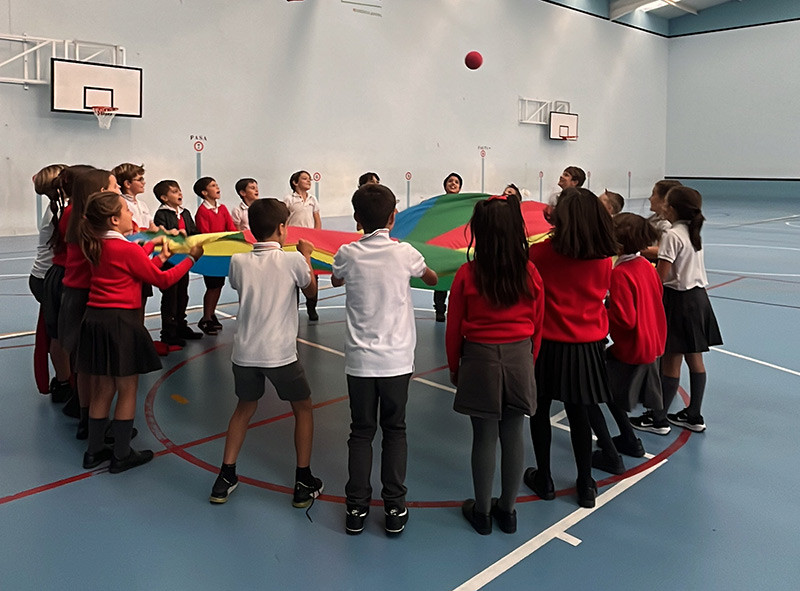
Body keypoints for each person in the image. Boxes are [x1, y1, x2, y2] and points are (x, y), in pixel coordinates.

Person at [332, 183, 438, 536]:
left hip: (360, 362)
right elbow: (431, 277)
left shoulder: (347, 252)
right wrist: (431, 271)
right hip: (396, 362)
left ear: (356, 218)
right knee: (395, 430)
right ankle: (394, 505)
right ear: (394, 217)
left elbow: (335, 278)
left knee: (361, 431)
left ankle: (357, 508)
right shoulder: (405, 253)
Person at [209, 198, 323, 508]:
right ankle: (303, 479)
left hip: (244, 354)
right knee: (303, 407)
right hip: (280, 355)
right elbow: (311, 291)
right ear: (283, 228)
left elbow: (239, 285)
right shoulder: (293, 260)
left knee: (244, 407)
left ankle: (226, 475)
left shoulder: (238, 261)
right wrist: (307, 256)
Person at [76, 191, 202, 473]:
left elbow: (132, 270)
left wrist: (157, 255)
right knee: (127, 388)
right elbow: (162, 280)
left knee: (103, 388)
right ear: (114, 219)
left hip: (96, 320)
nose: (132, 216)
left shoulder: (95, 243)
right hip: (121, 322)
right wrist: (190, 260)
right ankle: (121, 454)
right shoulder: (127, 249)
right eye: (127, 212)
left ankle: (94, 452)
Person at [446, 196, 544, 535]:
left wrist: (455, 367)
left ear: (480, 232)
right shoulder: (530, 272)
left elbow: (454, 327)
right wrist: (528, 361)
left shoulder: (467, 274)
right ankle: (509, 510)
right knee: (514, 433)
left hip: (479, 359)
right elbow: (538, 323)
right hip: (519, 357)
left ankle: (483, 512)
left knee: (483, 437)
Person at [524, 187, 617, 508]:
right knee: (580, 416)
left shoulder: (542, 255)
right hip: (588, 346)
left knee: (539, 413)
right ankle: (585, 482)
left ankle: (545, 477)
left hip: (547, 345)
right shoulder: (604, 260)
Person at [631, 186, 722, 434]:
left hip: (679, 301)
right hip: (698, 298)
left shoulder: (672, 235)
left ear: (670, 208)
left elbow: (661, 276)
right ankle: (694, 415)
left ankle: (658, 419)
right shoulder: (693, 232)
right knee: (695, 359)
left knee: (671, 361)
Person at [588, 213, 667, 473]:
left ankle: (619, 449)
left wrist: (604, 307)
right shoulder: (646, 266)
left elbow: (625, 319)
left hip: (632, 345)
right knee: (607, 390)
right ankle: (629, 438)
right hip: (652, 341)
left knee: (594, 390)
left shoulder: (620, 273)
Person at [60, 168, 119, 435]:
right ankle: (96, 425)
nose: (119, 191)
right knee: (95, 369)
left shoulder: (74, 214)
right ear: (102, 193)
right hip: (86, 297)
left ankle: (86, 419)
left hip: (73, 294)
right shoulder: (91, 222)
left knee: (84, 366)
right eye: (115, 186)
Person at [30, 164, 71, 399]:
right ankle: (63, 382)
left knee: (60, 331)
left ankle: (64, 378)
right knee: (58, 333)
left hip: (47, 277)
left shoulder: (59, 207)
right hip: (48, 278)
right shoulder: (60, 211)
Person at [153, 180, 202, 347]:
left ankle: (181, 325)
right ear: (164, 197)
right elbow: (163, 236)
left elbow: (193, 232)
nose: (179, 193)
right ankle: (168, 331)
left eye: (179, 190)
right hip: (170, 262)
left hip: (183, 262)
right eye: (174, 191)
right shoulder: (162, 215)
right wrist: (177, 236)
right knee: (170, 297)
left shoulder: (185, 213)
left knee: (183, 294)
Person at [194, 177, 236, 335]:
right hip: (210, 256)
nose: (217, 187)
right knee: (212, 287)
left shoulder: (223, 208)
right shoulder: (202, 212)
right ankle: (205, 318)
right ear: (204, 193)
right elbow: (205, 234)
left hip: (222, 253)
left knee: (218, 285)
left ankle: (211, 314)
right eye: (212, 186)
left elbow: (230, 228)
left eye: (216, 184)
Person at [284, 170, 321, 320]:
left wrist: (317, 236)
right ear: (295, 182)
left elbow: (317, 219)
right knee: (293, 277)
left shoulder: (313, 199)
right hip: (293, 243)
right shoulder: (288, 199)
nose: (308, 181)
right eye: (304, 179)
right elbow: (284, 220)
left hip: (310, 243)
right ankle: (294, 310)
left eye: (309, 179)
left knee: (312, 275)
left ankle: (312, 307)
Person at [433, 172, 463, 321]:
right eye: (450, 181)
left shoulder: (464, 205)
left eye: (456, 182)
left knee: (458, 281)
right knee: (441, 278)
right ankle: (439, 309)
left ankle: (457, 311)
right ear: (445, 185)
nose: (453, 183)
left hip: (458, 248)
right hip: (441, 247)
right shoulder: (439, 204)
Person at [641, 180, 682, 261]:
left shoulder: (666, 225)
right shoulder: (654, 218)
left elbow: (661, 250)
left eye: (653, 194)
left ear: (664, 199)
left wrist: (633, 250)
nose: (650, 198)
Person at [112, 163, 157, 232]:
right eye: (140, 179)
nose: (144, 182)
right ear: (128, 184)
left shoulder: (143, 205)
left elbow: (152, 226)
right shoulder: (121, 204)